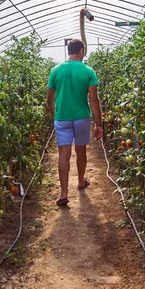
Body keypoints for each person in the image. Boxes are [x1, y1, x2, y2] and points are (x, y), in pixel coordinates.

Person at [46, 39, 103, 206]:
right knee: (81, 150)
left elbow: (49, 99)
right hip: (81, 117)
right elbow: (93, 100)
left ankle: (64, 193)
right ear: (81, 51)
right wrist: (98, 123)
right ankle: (80, 180)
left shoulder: (56, 70)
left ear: (68, 51)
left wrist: (54, 114)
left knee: (64, 153)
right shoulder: (88, 71)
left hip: (62, 118)